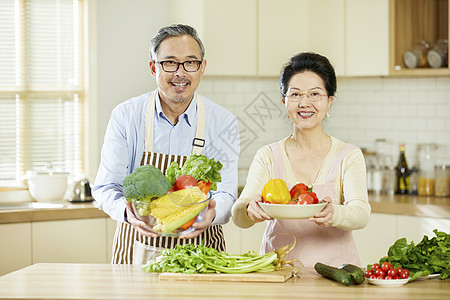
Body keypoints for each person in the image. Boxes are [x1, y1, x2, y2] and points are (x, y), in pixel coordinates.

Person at [93, 24, 240, 264]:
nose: (180, 73)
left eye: (190, 63)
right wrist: (129, 214)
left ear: (202, 68)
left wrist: (213, 212)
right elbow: (105, 188)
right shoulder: (126, 116)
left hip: (201, 253)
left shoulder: (223, 122)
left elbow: (226, 193)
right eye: (169, 63)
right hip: (136, 251)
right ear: (153, 67)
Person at [231, 52, 370, 268]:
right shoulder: (268, 155)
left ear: (329, 101)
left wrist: (335, 213)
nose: (304, 103)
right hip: (278, 272)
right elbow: (239, 213)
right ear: (284, 102)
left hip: (337, 274)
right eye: (295, 95)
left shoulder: (348, 155)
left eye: (315, 94)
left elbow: (361, 213)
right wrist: (248, 210)